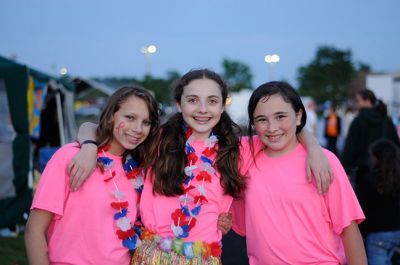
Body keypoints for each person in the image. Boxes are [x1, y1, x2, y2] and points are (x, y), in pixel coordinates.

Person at [68, 69, 333, 264]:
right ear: (178, 104)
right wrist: (90, 145)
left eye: (212, 101)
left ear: (222, 105)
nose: (203, 109)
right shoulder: (156, 141)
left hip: (203, 257)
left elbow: (280, 131)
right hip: (152, 256)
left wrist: (313, 146)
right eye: (193, 100)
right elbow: (94, 126)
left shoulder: (236, 148)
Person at [232, 81, 367, 264]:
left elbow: (348, 229)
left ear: (298, 116)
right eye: (262, 119)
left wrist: (313, 147)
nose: (272, 128)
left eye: (280, 116)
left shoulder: (324, 161)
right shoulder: (246, 155)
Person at [24, 86, 160, 265]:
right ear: (112, 116)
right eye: (130, 118)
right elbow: (34, 230)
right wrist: (89, 145)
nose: (138, 129)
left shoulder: (140, 169)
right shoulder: (71, 156)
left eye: (146, 122)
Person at [341, 89, 400, 234]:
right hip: (390, 172)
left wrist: (345, 169)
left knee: (367, 210)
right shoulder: (386, 120)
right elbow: (395, 145)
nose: (356, 104)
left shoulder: (358, 121)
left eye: (358, 100)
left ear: (367, 100)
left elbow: (351, 147)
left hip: (365, 174)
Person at [363, 139, 400, 264]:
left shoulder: (369, 180)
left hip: (377, 234)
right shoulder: (397, 179)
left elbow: (364, 209)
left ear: (376, 158)